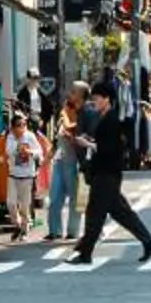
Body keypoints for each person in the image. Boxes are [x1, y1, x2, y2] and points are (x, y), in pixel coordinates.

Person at [65, 80, 151, 264]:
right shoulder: (106, 117)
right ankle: (148, 242)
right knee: (120, 213)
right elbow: (105, 144)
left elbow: (110, 149)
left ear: (107, 99)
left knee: (95, 214)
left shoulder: (112, 119)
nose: (94, 101)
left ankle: (85, 253)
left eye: (97, 98)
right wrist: (91, 140)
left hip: (107, 173)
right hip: (106, 172)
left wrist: (88, 144)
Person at [46, 97, 87, 240]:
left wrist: (71, 137)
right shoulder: (61, 122)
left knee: (75, 199)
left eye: (68, 106)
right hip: (59, 162)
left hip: (74, 163)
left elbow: (83, 142)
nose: (65, 110)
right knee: (55, 197)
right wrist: (49, 156)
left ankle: (73, 231)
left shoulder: (80, 123)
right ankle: (54, 230)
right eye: (64, 106)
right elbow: (56, 141)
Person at [4, 110, 48, 241]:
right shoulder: (10, 137)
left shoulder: (30, 136)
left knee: (25, 205)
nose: (22, 128)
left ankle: (24, 229)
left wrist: (30, 152)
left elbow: (39, 152)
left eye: (24, 125)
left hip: (27, 176)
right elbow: (8, 151)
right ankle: (17, 225)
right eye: (19, 125)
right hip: (13, 175)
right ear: (13, 127)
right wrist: (18, 144)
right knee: (11, 203)